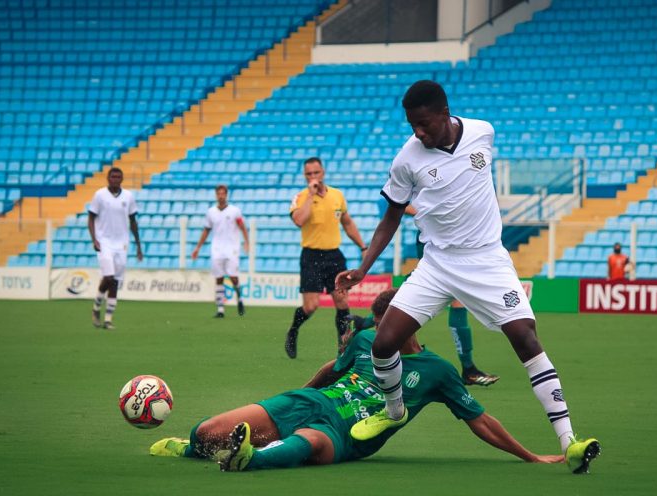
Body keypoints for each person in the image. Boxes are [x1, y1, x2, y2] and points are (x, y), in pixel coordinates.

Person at [335, 80, 599, 469]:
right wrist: (363, 268)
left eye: (424, 124)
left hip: (487, 260)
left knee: (525, 337)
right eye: (412, 125)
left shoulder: (482, 132)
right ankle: (393, 411)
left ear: (444, 113)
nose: (418, 132)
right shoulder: (406, 159)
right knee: (384, 343)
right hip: (437, 264)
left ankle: (569, 440)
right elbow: (391, 216)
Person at [149, 289, 567, 472]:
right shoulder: (366, 339)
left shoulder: (437, 371)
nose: (380, 334)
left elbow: (481, 420)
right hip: (313, 402)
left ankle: (249, 459)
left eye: (389, 326)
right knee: (207, 432)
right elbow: (332, 368)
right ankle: (192, 448)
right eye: (380, 325)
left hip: (345, 433)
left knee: (308, 443)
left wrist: (530, 456)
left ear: (411, 322)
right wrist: (302, 395)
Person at [353, 205, 499, 386]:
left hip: (451, 241)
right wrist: (429, 211)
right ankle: (468, 369)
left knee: (442, 296)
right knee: (420, 293)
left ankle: (469, 369)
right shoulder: (425, 189)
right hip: (433, 240)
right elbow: (401, 204)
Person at [284, 156, 368, 359]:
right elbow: (299, 220)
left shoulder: (337, 195)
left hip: (334, 256)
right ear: (305, 176)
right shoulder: (300, 197)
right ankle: (293, 330)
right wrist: (311, 196)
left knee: (342, 302)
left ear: (323, 172)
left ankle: (343, 349)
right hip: (311, 256)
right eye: (309, 174)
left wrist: (363, 246)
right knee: (311, 306)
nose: (313, 176)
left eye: (316, 172)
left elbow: (347, 223)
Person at [88, 167, 143, 329]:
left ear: (122, 179)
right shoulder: (99, 195)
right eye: (113, 176)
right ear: (108, 178)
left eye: (118, 177)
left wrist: (138, 245)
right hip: (104, 242)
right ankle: (97, 306)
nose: (115, 179)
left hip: (122, 244)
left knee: (115, 282)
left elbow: (133, 221)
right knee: (109, 276)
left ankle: (108, 319)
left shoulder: (128, 196)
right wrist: (94, 239)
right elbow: (90, 218)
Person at [191, 185, 249, 318]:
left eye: (223, 194)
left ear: (226, 195)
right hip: (217, 249)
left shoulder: (235, 211)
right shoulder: (211, 212)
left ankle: (240, 298)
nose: (221, 196)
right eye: (219, 194)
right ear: (216, 195)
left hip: (232, 248)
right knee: (219, 278)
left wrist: (246, 242)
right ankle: (220, 309)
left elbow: (242, 226)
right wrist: (198, 248)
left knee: (233, 277)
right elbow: (206, 230)